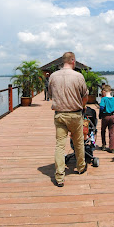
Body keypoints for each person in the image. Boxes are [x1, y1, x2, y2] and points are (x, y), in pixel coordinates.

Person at [48, 52, 88, 187]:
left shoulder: (53, 76)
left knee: (60, 145)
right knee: (79, 142)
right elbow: (85, 96)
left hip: (59, 114)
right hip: (75, 114)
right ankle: (81, 166)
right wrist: (82, 106)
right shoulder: (78, 76)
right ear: (73, 61)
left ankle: (59, 176)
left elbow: (50, 94)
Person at [99, 85, 114, 153]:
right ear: (110, 91)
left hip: (105, 116)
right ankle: (111, 147)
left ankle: (104, 145)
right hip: (112, 116)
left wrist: (100, 115)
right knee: (111, 132)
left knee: (103, 130)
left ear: (104, 91)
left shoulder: (104, 99)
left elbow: (101, 107)